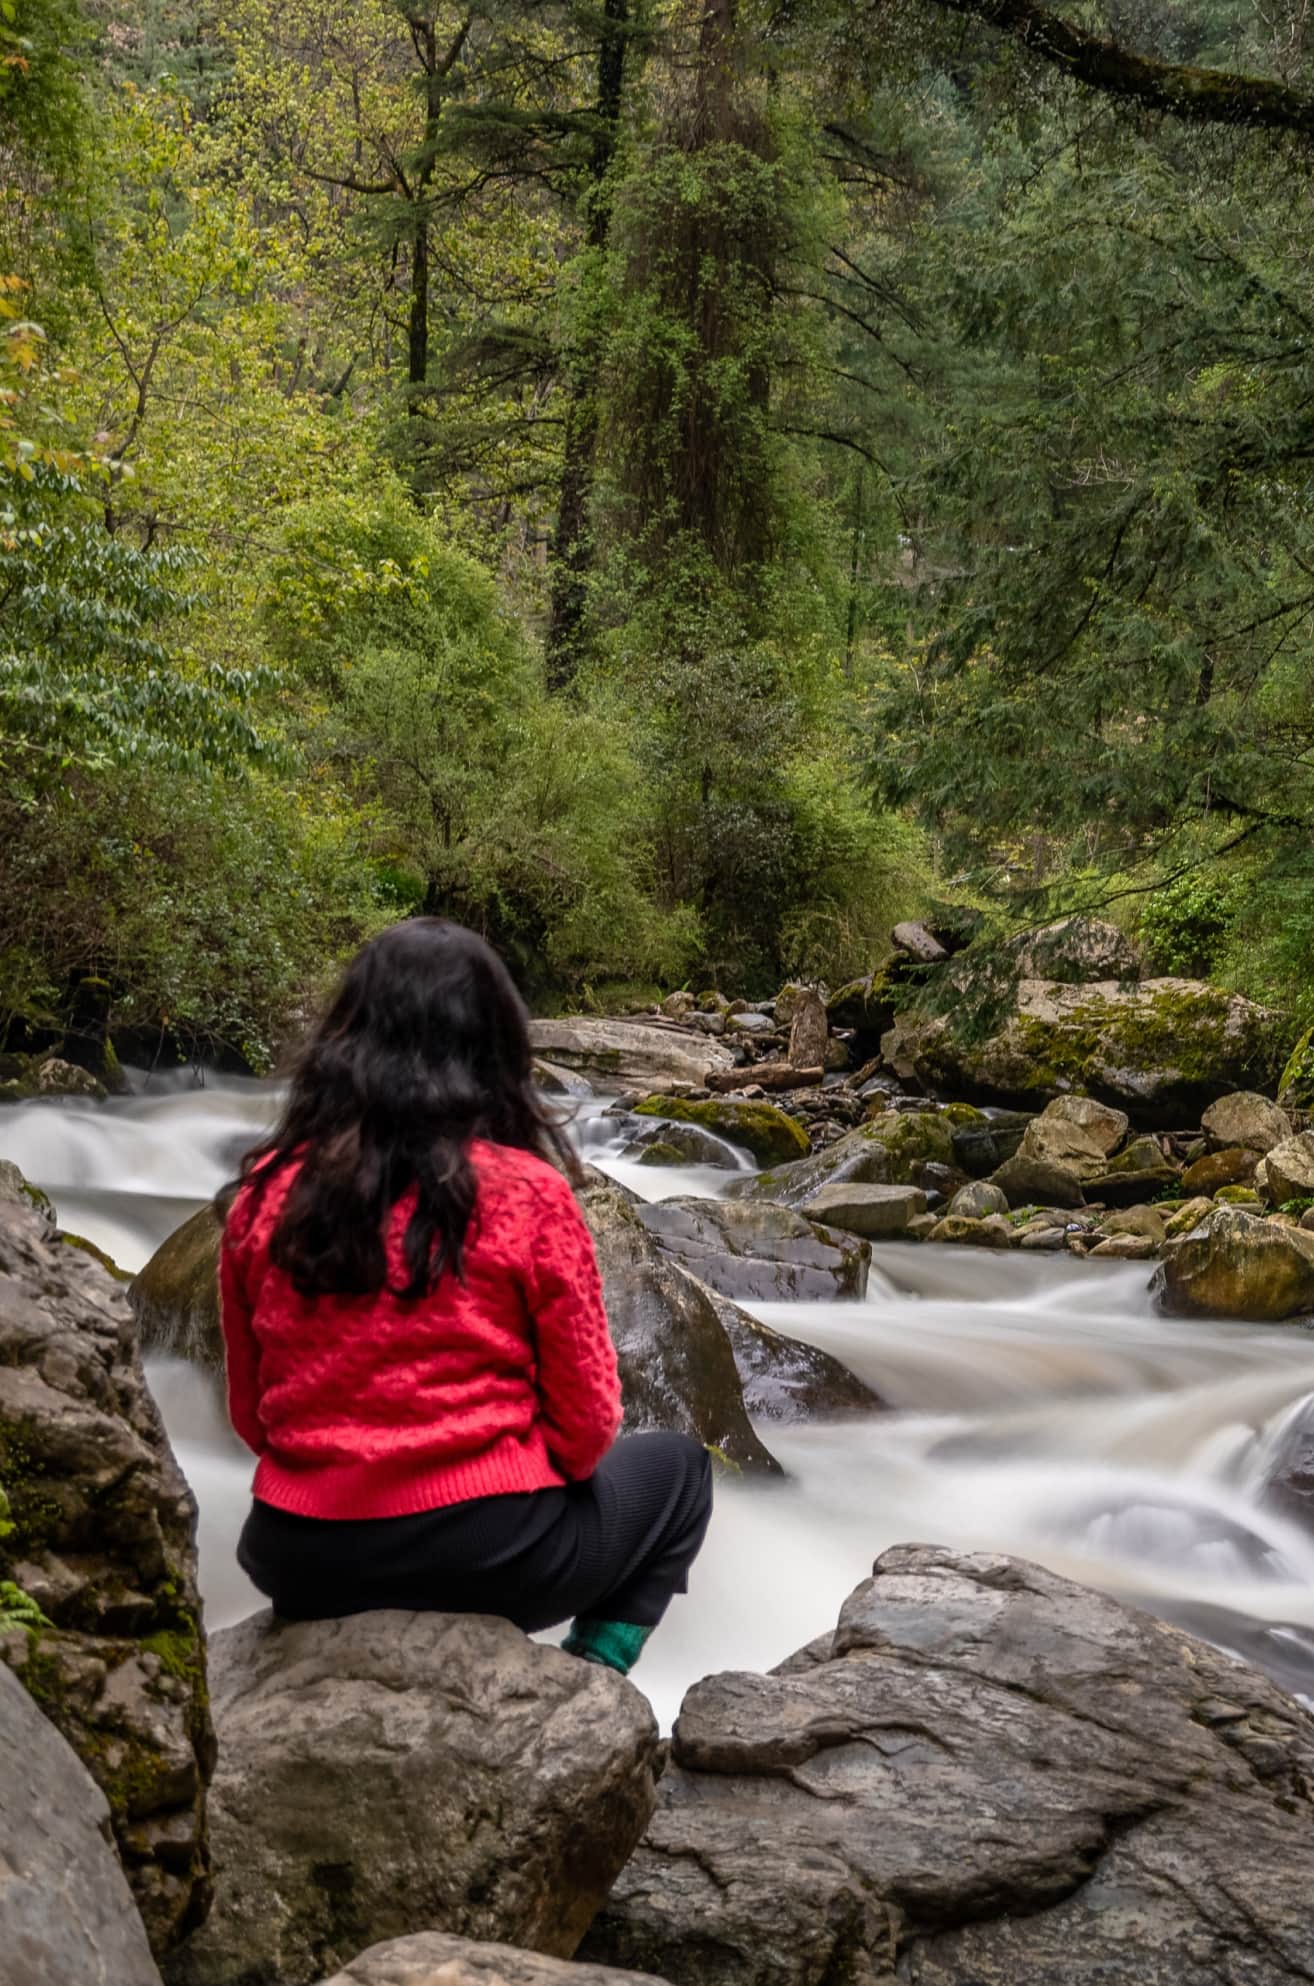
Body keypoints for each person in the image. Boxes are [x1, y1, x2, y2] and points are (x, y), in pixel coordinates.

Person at [216, 917, 712, 1677]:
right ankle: (592, 1676)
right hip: (490, 1554)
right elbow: (586, 1430)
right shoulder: (529, 1194)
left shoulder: (265, 1194)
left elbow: (252, 1416)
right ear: (495, 1047)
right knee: (681, 1472)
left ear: (341, 1042)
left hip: (298, 1555)